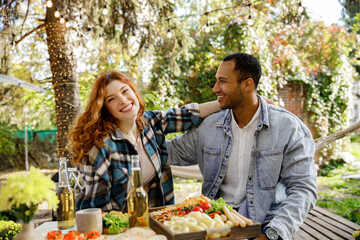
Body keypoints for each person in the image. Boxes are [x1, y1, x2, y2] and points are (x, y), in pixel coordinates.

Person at [167, 53, 317, 240]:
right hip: (216, 223)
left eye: (222, 81)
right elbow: (168, 152)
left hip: (265, 224)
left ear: (247, 84)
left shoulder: (289, 127)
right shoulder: (208, 126)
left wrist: (272, 234)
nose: (215, 89)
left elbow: (303, 188)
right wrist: (135, 126)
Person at [67, 71, 220, 212]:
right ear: (105, 109)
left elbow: (188, 114)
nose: (123, 100)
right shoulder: (101, 147)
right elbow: (95, 210)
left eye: (125, 91)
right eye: (111, 99)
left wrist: (226, 102)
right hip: (119, 228)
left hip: (156, 218)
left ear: (133, 91)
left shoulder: (149, 122)